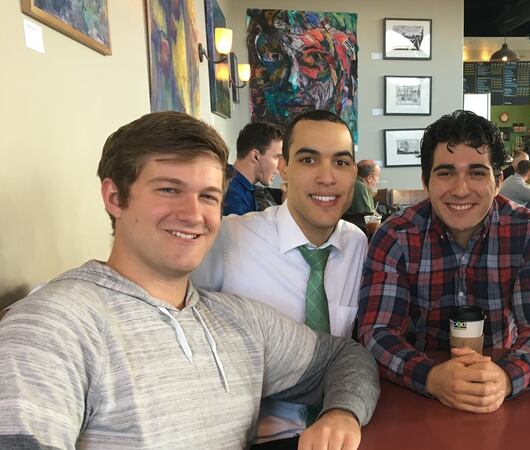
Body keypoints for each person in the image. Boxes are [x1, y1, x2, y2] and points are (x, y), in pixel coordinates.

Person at [0, 111, 379, 450]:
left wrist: (342, 412)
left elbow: (346, 357)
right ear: (115, 197)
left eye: (208, 197)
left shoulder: (241, 321)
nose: (192, 214)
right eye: (169, 189)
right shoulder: (55, 326)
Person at [358, 110, 530, 414]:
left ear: (498, 182)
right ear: (426, 182)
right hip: (415, 398)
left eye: (477, 173)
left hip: (500, 391)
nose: (460, 189)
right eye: (445, 173)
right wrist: (431, 377)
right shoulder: (395, 235)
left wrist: (506, 377)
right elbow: (376, 333)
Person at [192, 109, 367, 448]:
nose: (327, 177)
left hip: (340, 430)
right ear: (284, 167)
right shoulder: (229, 240)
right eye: (308, 160)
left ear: (354, 173)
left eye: (341, 162)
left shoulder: (357, 244)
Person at [224, 121, 284, 215]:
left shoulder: (241, 186)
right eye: (277, 158)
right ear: (255, 156)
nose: (280, 166)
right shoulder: (234, 197)